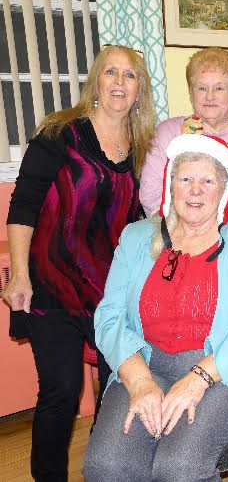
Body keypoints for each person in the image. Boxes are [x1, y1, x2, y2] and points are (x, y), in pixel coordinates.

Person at [83, 134, 228, 481]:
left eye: (207, 180)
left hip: (224, 371)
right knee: (107, 464)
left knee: (177, 467)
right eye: (185, 179)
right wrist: (139, 382)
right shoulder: (135, 237)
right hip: (145, 363)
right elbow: (109, 315)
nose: (196, 190)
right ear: (170, 184)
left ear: (223, 189)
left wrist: (199, 377)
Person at [1, 44, 156, 481]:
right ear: (96, 81)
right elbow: (24, 205)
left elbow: (141, 221)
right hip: (52, 283)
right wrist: (20, 275)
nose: (120, 83)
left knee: (119, 386)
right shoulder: (59, 134)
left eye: (130, 75)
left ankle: (111, 469)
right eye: (111, 73)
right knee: (61, 391)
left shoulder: (143, 149)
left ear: (139, 88)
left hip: (109, 294)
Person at [139, 46, 228, 229]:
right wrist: (195, 237)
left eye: (219, 88)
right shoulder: (168, 134)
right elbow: (151, 196)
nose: (210, 96)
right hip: (182, 242)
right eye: (201, 88)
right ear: (191, 94)